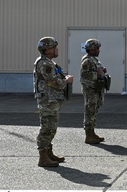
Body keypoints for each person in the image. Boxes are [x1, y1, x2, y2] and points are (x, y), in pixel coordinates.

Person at [34, 37, 72, 167]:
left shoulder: (49, 62)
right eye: (54, 47)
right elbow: (53, 81)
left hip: (52, 99)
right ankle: (43, 157)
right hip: (48, 100)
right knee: (47, 128)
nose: (57, 49)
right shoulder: (44, 63)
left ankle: (48, 153)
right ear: (48, 50)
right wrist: (66, 81)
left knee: (51, 128)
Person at [80, 38, 108, 144]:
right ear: (91, 49)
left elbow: (97, 70)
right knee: (89, 111)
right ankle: (88, 135)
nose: (98, 50)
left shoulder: (94, 59)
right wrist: (98, 73)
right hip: (90, 90)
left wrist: (102, 71)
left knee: (94, 111)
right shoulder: (87, 60)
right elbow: (85, 75)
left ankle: (92, 133)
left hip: (96, 89)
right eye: (97, 48)